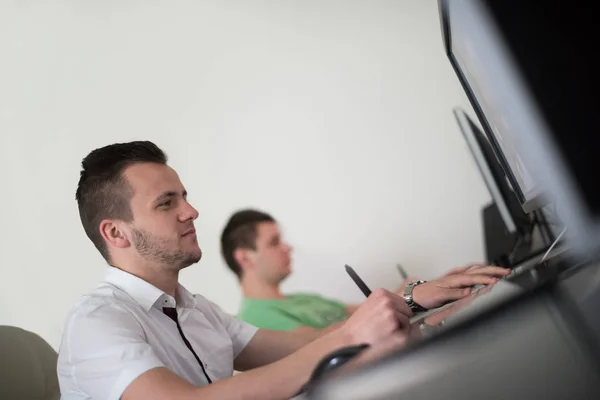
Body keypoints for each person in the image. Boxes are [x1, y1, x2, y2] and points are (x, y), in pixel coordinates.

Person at [56, 141, 413, 400]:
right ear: (116, 233)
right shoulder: (96, 322)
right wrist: (349, 338)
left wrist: (409, 302)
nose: (191, 211)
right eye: (166, 203)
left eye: (184, 196)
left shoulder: (197, 309)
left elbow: (300, 346)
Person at [221, 209, 510, 336]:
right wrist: (411, 296)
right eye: (274, 243)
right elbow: (323, 346)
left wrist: (435, 287)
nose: (287, 248)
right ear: (245, 257)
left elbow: (365, 311)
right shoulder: (256, 319)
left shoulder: (297, 300)